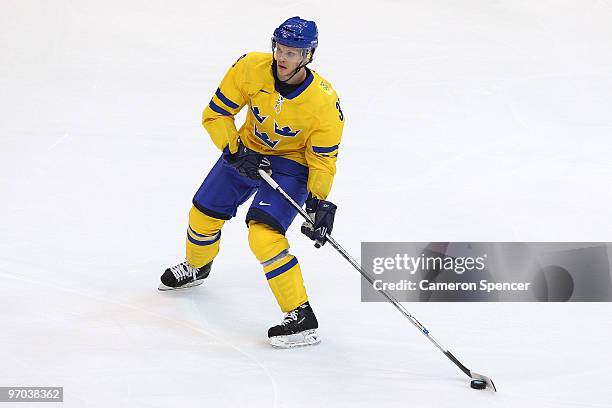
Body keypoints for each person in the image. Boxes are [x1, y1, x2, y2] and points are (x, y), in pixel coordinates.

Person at [159, 16, 345, 348]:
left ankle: (301, 315)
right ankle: (198, 267)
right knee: (202, 214)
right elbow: (215, 114)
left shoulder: (324, 103)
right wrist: (235, 150)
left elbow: (322, 159)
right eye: (279, 48)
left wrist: (318, 202)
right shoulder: (250, 67)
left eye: (292, 52)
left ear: (309, 55)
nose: (282, 58)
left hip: (292, 166)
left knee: (264, 235)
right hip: (245, 152)